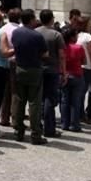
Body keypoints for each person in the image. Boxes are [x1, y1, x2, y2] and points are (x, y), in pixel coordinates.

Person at [6, 9, 49, 144]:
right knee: (34, 103)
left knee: (19, 100)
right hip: (34, 69)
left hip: (20, 68)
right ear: (31, 19)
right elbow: (45, 54)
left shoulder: (16, 33)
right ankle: (35, 134)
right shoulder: (37, 36)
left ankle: (18, 131)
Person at [35, 9, 65, 137]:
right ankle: (49, 128)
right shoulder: (56, 35)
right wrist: (63, 72)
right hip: (52, 69)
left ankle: (38, 125)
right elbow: (62, 55)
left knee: (38, 98)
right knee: (49, 99)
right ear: (52, 19)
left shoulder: (35, 33)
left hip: (38, 68)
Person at [60, 28, 86, 132]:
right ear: (72, 37)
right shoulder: (78, 47)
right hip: (77, 74)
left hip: (65, 74)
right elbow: (83, 61)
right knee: (75, 101)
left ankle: (64, 123)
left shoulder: (62, 47)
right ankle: (74, 124)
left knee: (65, 100)